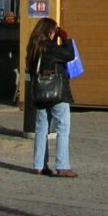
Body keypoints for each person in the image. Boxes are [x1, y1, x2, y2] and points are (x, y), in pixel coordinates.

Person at [25, 17, 77, 177]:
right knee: (63, 127)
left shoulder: (33, 47)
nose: (56, 34)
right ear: (49, 31)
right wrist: (65, 37)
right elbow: (69, 55)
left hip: (40, 93)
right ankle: (62, 165)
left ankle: (39, 165)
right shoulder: (49, 47)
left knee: (41, 129)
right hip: (56, 93)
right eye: (55, 31)